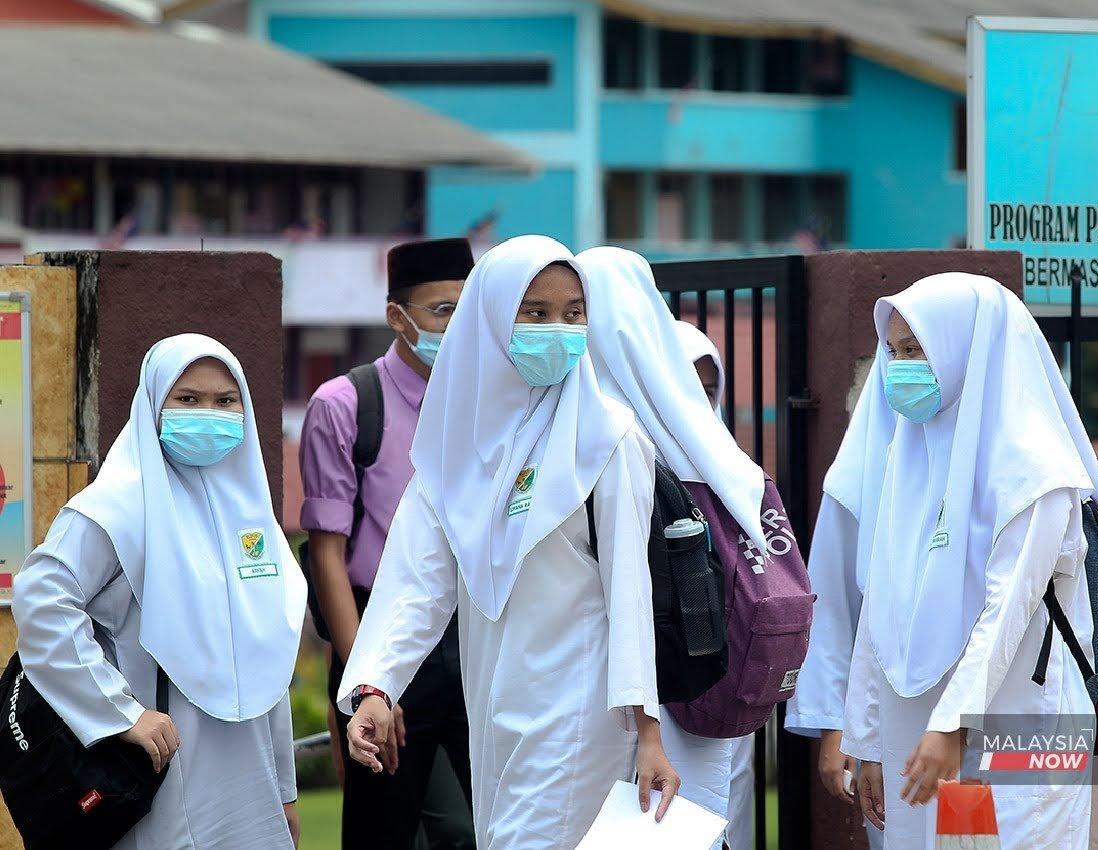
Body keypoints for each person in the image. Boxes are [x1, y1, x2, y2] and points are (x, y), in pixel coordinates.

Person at [337, 235, 680, 850]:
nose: (558, 331)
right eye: (536, 313)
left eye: (573, 313)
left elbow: (631, 591)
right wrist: (375, 687)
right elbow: (417, 584)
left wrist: (648, 732)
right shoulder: (452, 451)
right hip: (493, 705)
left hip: (580, 706)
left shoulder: (608, 439)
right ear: (490, 318)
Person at [799, 273, 1098, 848]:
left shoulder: (1035, 470)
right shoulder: (909, 458)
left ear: (967, 351)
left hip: (1016, 729)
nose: (899, 369)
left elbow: (1007, 610)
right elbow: (881, 603)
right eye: (893, 352)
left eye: (915, 350)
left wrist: (952, 723)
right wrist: (868, 739)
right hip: (918, 733)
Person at [14, 334, 306, 849]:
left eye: (225, 401)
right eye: (188, 399)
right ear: (153, 403)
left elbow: (268, 659)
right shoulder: (117, 507)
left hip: (250, 791)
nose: (208, 414)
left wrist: (283, 790)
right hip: (163, 771)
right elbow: (42, 600)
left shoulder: (250, 517)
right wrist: (120, 714)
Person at [578, 248, 801, 850]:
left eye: (576, 313)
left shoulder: (607, 439)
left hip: (665, 688)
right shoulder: (718, 457)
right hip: (694, 682)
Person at [299, 238, 475, 849]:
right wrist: (368, 679)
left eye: (468, 309)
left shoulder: (488, 402)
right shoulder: (346, 404)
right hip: (380, 631)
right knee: (382, 830)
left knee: (488, 826)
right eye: (443, 311)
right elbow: (327, 554)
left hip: (474, 635)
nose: (458, 326)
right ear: (398, 317)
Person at [672, 320, 752, 850]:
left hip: (722, 687)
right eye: (683, 388)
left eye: (707, 392)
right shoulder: (617, 461)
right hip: (653, 693)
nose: (696, 406)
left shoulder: (737, 475)